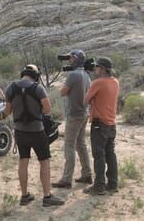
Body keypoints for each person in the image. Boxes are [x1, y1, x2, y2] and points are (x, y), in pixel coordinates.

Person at [1, 64, 65, 207]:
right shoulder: (38, 88)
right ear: (35, 75)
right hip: (37, 131)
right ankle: (47, 197)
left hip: (20, 132)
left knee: (23, 160)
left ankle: (24, 196)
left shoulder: (11, 88)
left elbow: (7, 111)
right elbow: (47, 108)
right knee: (44, 161)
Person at [52, 49, 92, 189]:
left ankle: (66, 179)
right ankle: (87, 174)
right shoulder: (86, 75)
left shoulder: (73, 75)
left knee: (69, 145)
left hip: (74, 115)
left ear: (75, 59)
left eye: (71, 58)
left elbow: (63, 92)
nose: (69, 60)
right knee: (81, 144)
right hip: (84, 113)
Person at [83, 57, 119, 195]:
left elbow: (84, 101)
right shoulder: (115, 82)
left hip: (99, 123)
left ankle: (99, 186)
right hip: (111, 122)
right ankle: (113, 184)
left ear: (102, 68)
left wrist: (92, 99)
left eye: (97, 67)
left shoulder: (97, 83)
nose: (94, 69)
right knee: (110, 153)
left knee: (99, 155)